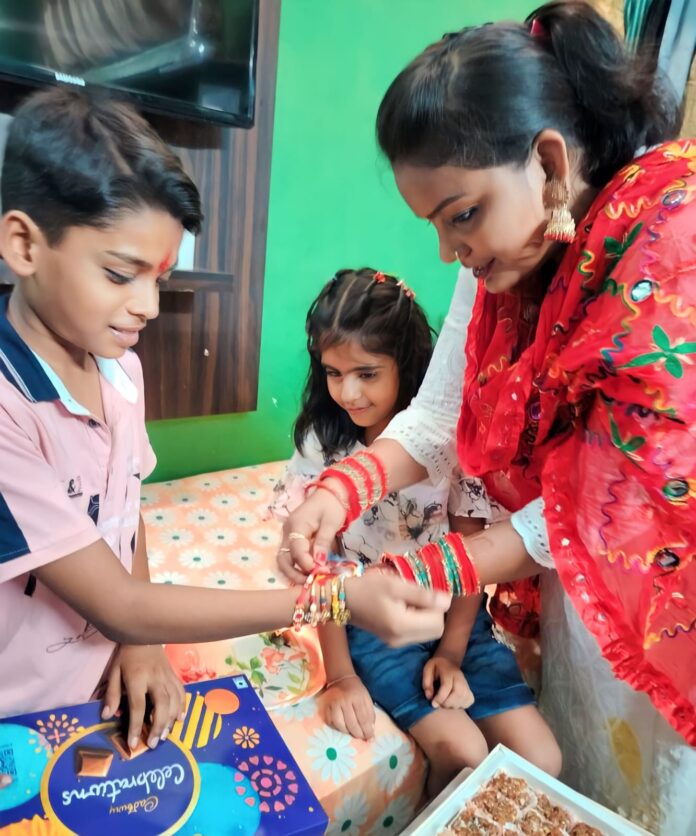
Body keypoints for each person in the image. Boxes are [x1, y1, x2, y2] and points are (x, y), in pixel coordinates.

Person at [277, 2, 696, 832]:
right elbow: (437, 417)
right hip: (570, 583)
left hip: (656, 593)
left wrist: (422, 577)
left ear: (547, 160)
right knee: (569, 774)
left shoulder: (668, 244)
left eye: (460, 215)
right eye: (436, 226)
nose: (449, 254)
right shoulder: (511, 248)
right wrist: (336, 491)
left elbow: (608, 504)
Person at [0, 87, 450, 753]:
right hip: (25, 711)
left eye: (160, 277)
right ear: (23, 244)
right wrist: (338, 600)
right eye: (121, 274)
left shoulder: (120, 367)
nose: (148, 306)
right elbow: (118, 601)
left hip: (115, 677)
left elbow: (128, 514)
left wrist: (141, 642)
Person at [271, 268, 559, 796]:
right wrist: (340, 676)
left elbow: (473, 554)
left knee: (544, 758)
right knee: (463, 752)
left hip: (455, 616)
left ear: (407, 365)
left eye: (366, 373)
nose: (348, 393)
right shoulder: (322, 442)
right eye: (333, 373)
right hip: (369, 621)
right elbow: (323, 574)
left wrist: (451, 652)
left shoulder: (451, 439)